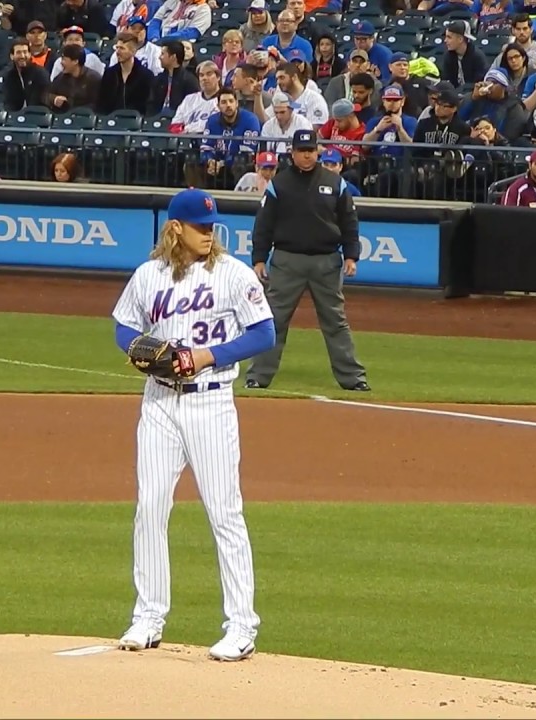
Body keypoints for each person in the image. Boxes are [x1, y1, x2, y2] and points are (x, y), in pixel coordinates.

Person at [111, 187, 274, 663]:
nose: (210, 233)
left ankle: (242, 625)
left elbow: (264, 333)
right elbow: (123, 324)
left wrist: (208, 355)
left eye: (213, 226)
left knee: (224, 513)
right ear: (176, 228)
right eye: (201, 227)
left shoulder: (231, 274)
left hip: (211, 404)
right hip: (159, 403)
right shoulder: (148, 275)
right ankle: (148, 616)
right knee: (151, 507)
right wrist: (138, 347)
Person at [245, 128, 369, 392]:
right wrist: (259, 258)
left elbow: (349, 221)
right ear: (292, 153)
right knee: (274, 320)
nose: (307, 156)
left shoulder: (335, 182)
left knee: (335, 321)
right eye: (302, 151)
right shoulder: (279, 184)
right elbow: (264, 224)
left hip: (326, 261)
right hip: (288, 260)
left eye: (311, 151)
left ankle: (353, 378)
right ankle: (258, 376)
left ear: (317, 151)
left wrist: (351, 255)